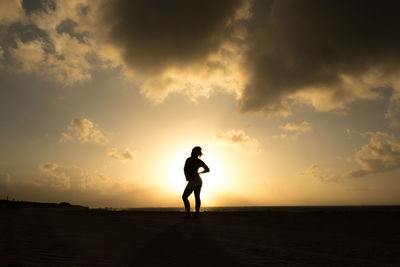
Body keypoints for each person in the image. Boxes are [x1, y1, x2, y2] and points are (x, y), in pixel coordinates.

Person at [182, 146, 209, 217]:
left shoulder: (189, 160)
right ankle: (196, 214)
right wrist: (199, 173)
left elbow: (185, 169)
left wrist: (198, 173)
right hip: (197, 180)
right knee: (197, 197)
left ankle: (188, 214)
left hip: (194, 180)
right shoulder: (198, 161)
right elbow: (207, 169)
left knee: (185, 197)